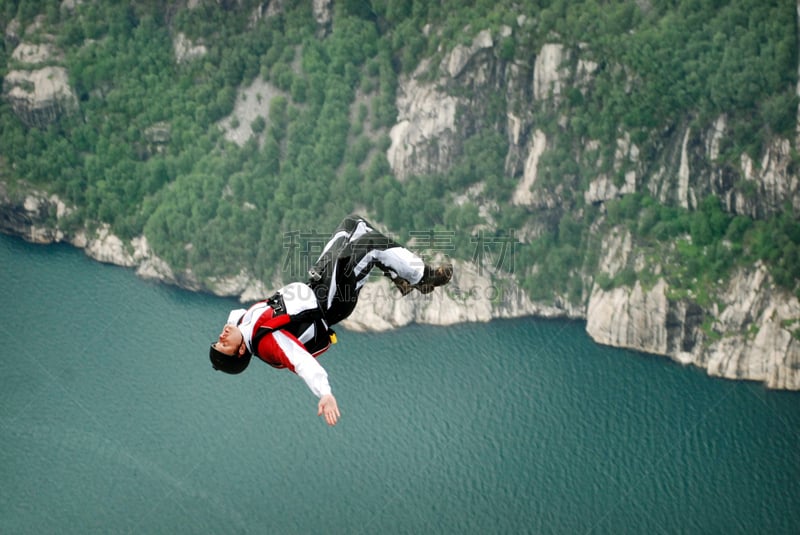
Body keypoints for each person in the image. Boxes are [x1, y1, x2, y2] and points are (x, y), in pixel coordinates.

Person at [209, 215, 453, 426]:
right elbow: (301, 362)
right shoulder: (266, 343)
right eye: (224, 345)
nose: (221, 337)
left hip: (318, 282)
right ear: (241, 350)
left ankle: (399, 275)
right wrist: (324, 393)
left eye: (217, 341)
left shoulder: (241, 323)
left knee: (354, 224)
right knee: (369, 246)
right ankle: (423, 278)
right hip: (331, 302)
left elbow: (237, 320)